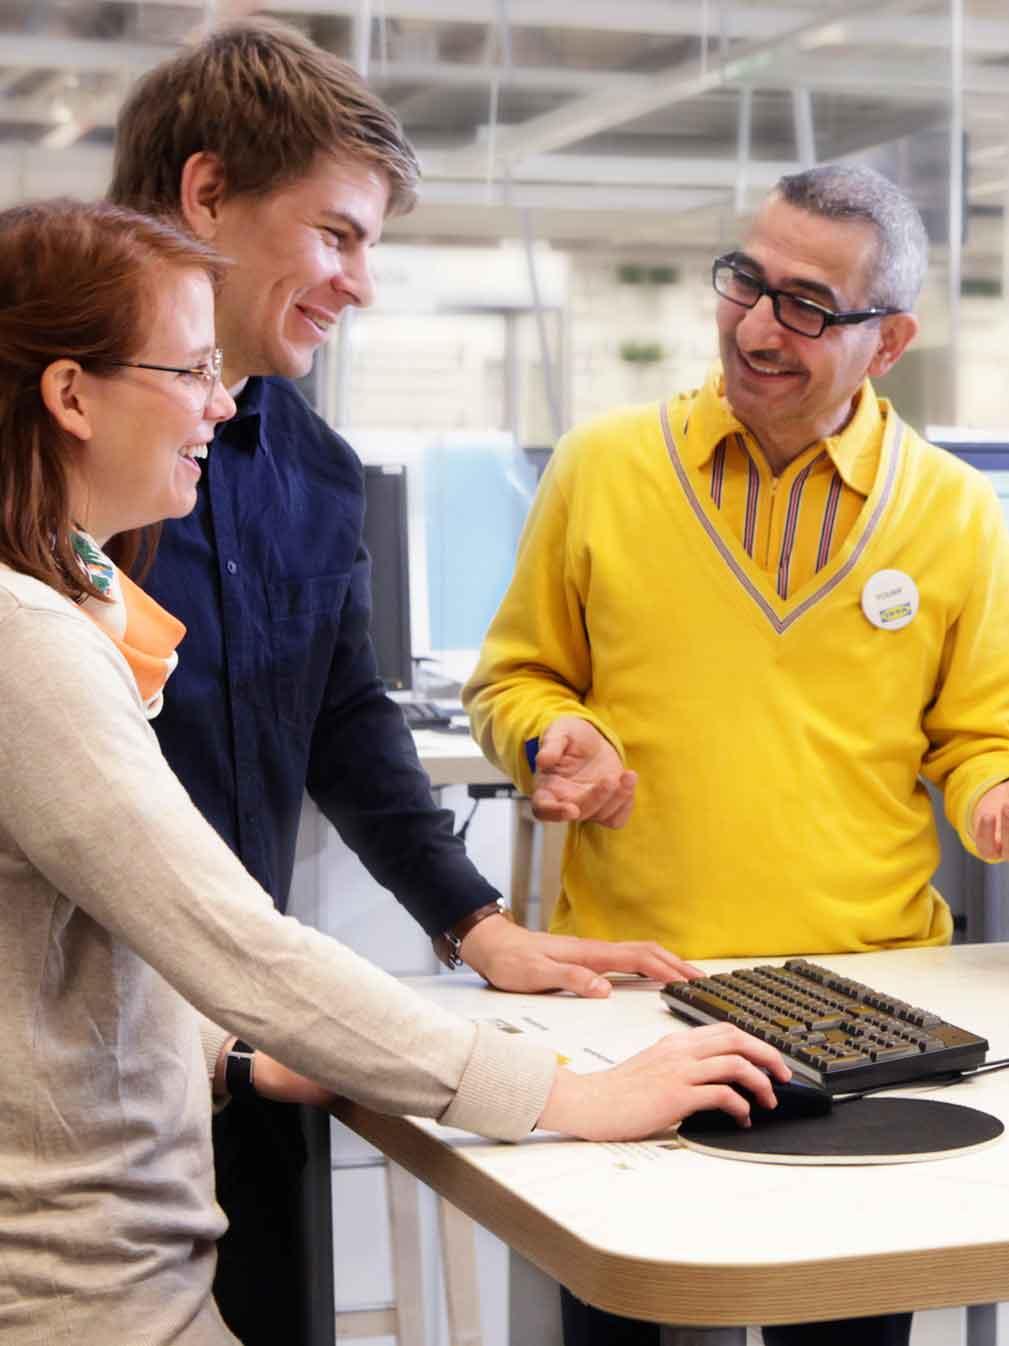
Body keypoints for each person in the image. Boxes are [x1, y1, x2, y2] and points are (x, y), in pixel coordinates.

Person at [0, 196, 791, 1346]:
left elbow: (50, 967)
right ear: (71, 395)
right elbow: (234, 943)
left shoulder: (60, 609)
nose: (221, 403)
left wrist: (236, 1055)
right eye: (191, 370)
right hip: (81, 1300)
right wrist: (568, 1094)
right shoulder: (26, 642)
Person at [104, 21, 701, 1345]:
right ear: (206, 193)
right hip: (78, 1061)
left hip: (250, 1046)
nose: (360, 285)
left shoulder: (309, 466)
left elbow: (339, 711)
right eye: (336, 235)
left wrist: (475, 922)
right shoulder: (48, 464)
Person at [464, 163, 1009, 1345]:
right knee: (621, 1317)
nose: (759, 326)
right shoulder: (602, 466)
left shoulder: (956, 512)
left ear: (889, 340)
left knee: (840, 1326)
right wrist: (554, 733)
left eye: (806, 305)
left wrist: (993, 791)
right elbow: (513, 677)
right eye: (745, 282)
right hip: (638, 996)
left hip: (867, 1004)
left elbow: (976, 735)